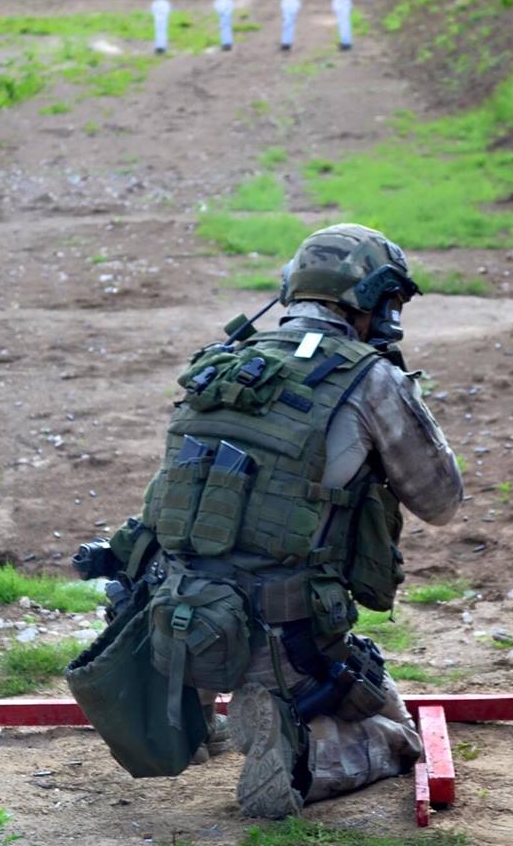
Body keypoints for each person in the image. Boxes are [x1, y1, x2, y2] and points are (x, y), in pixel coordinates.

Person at [68, 223, 463, 819]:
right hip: (288, 631)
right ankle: (299, 752)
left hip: (175, 615)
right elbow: (442, 501)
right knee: (396, 729)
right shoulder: (370, 378)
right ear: (378, 301)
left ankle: (199, 714)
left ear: (292, 289)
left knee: (226, 570)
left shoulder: (221, 365)